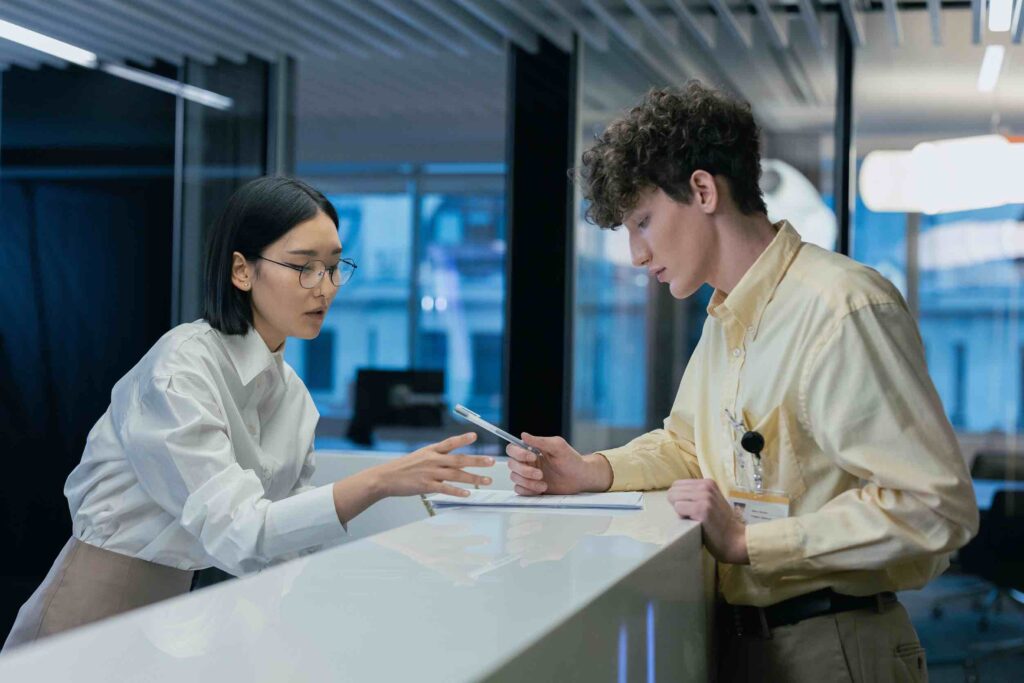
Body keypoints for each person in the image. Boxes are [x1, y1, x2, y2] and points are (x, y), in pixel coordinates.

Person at [505, 83, 978, 682]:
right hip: (748, 644)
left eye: (643, 221)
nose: (636, 254)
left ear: (703, 190)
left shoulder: (840, 307)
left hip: (834, 645)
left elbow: (934, 506)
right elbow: (686, 444)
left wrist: (750, 545)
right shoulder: (727, 318)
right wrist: (591, 469)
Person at [3, 176, 494, 651]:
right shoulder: (180, 368)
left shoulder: (295, 396)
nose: (324, 288)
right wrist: (378, 482)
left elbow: (283, 548)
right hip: (97, 605)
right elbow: (240, 532)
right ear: (242, 270)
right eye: (304, 266)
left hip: (185, 617)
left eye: (335, 266)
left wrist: (392, 555)